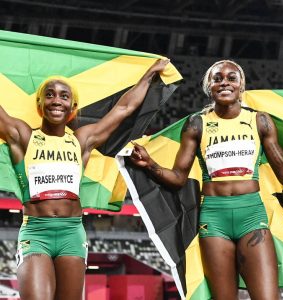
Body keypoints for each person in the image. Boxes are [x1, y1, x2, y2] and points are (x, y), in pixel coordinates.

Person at [130, 59, 283, 300]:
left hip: (252, 216)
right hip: (214, 219)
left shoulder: (260, 121)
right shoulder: (197, 124)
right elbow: (178, 178)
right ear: (208, 87)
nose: (224, 82)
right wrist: (150, 164)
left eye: (232, 77)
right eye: (217, 78)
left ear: (242, 86)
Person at [0, 58, 169, 300]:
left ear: (73, 107)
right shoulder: (23, 136)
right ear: (40, 104)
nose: (56, 100)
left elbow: (123, 109)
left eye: (63, 96)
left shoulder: (82, 141)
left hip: (72, 234)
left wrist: (148, 76)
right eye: (49, 95)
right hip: (36, 233)